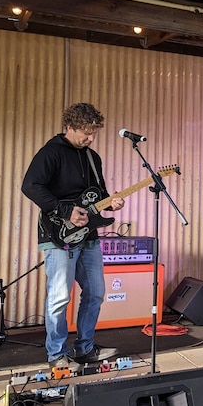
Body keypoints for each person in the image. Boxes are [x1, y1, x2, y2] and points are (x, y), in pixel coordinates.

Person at [22, 103, 124, 369]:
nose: (90, 138)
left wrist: (109, 203)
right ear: (69, 128)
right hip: (58, 236)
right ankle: (56, 354)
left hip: (88, 235)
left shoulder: (93, 157)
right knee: (59, 297)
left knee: (95, 292)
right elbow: (30, 186)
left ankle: (85, 348)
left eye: (94, 133)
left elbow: (96, 195)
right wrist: (64, 210)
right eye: (85, 133)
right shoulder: (51, 153)